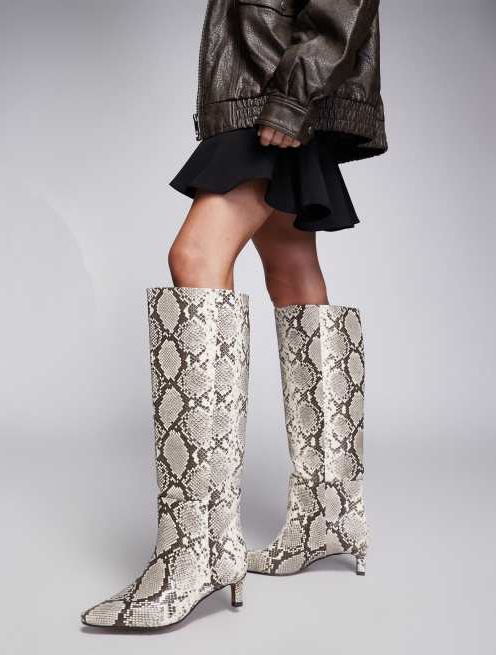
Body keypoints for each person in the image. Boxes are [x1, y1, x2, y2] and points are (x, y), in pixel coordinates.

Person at [82, 0, 387, 630]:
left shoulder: (283, 94)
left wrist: (292, 99)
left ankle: (197, 549)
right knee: (291, 265)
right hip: (277, 88)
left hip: (274, 94)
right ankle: (329, 514)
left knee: (194, 256)